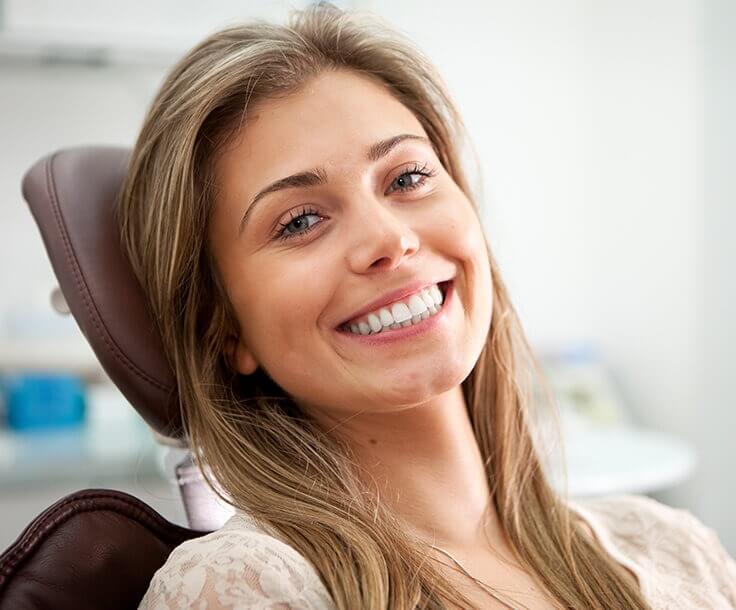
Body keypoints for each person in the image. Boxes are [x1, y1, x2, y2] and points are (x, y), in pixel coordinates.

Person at [116, 3, 736, 609]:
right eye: (301, 220)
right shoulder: (241, 587)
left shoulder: (674, 548)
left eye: (407, 178)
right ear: (222, 327)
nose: (389, 239)